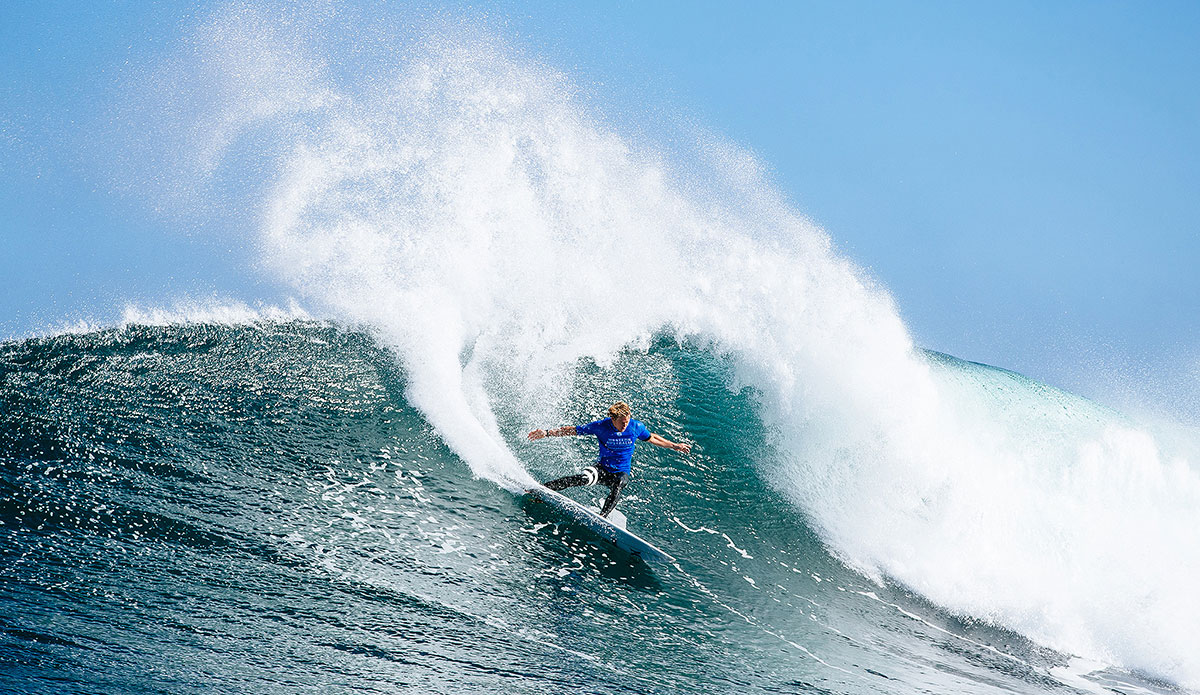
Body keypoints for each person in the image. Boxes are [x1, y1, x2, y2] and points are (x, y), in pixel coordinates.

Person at [527, 401, 691, 517]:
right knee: (582, 479)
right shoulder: (601, 426)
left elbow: (652, 438)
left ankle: (602, 517)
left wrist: (674, 445)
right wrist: (546, 433)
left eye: (627, 421)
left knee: (619, 485)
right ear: (613, 419)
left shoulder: (636, 426)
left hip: (621, 471)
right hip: (602, 468)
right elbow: (573, 430)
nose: (625, 425)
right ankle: (542, 490)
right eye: (622, 423)